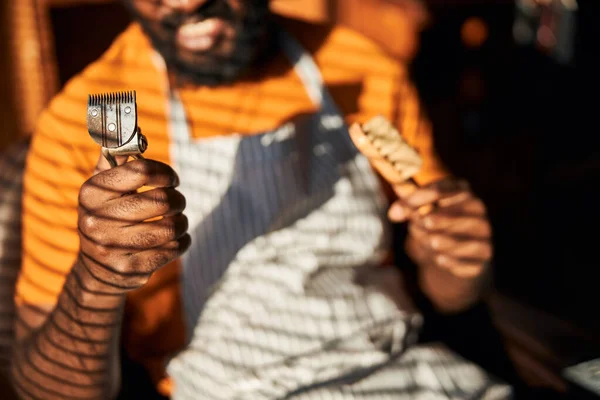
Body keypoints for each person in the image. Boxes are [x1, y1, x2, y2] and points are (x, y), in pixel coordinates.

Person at [10, 0, 503, 398]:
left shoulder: (360, 66)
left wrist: (458, 260)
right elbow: (44, 390)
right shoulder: (81, 122)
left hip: (405, 374)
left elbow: (452, 292)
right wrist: (96, 280)